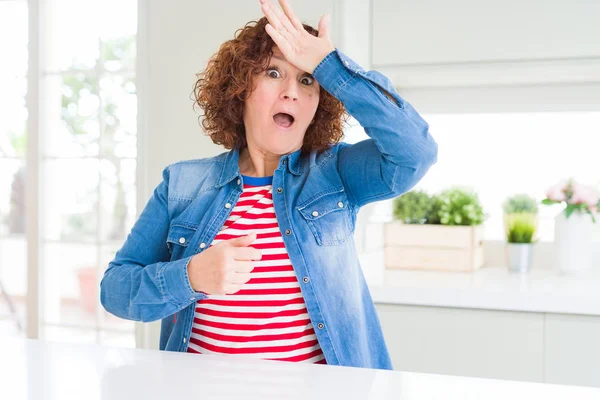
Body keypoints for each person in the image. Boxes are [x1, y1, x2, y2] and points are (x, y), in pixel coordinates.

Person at [101, 0, 437, 370]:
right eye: (274, 73)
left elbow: (415, 152)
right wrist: (190, 276)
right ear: (240, 90)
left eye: (307, 79)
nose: (292, 91)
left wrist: (330, 66)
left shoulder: (335, 173)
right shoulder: (183, 184)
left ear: (317, 104)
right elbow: (115, 289)